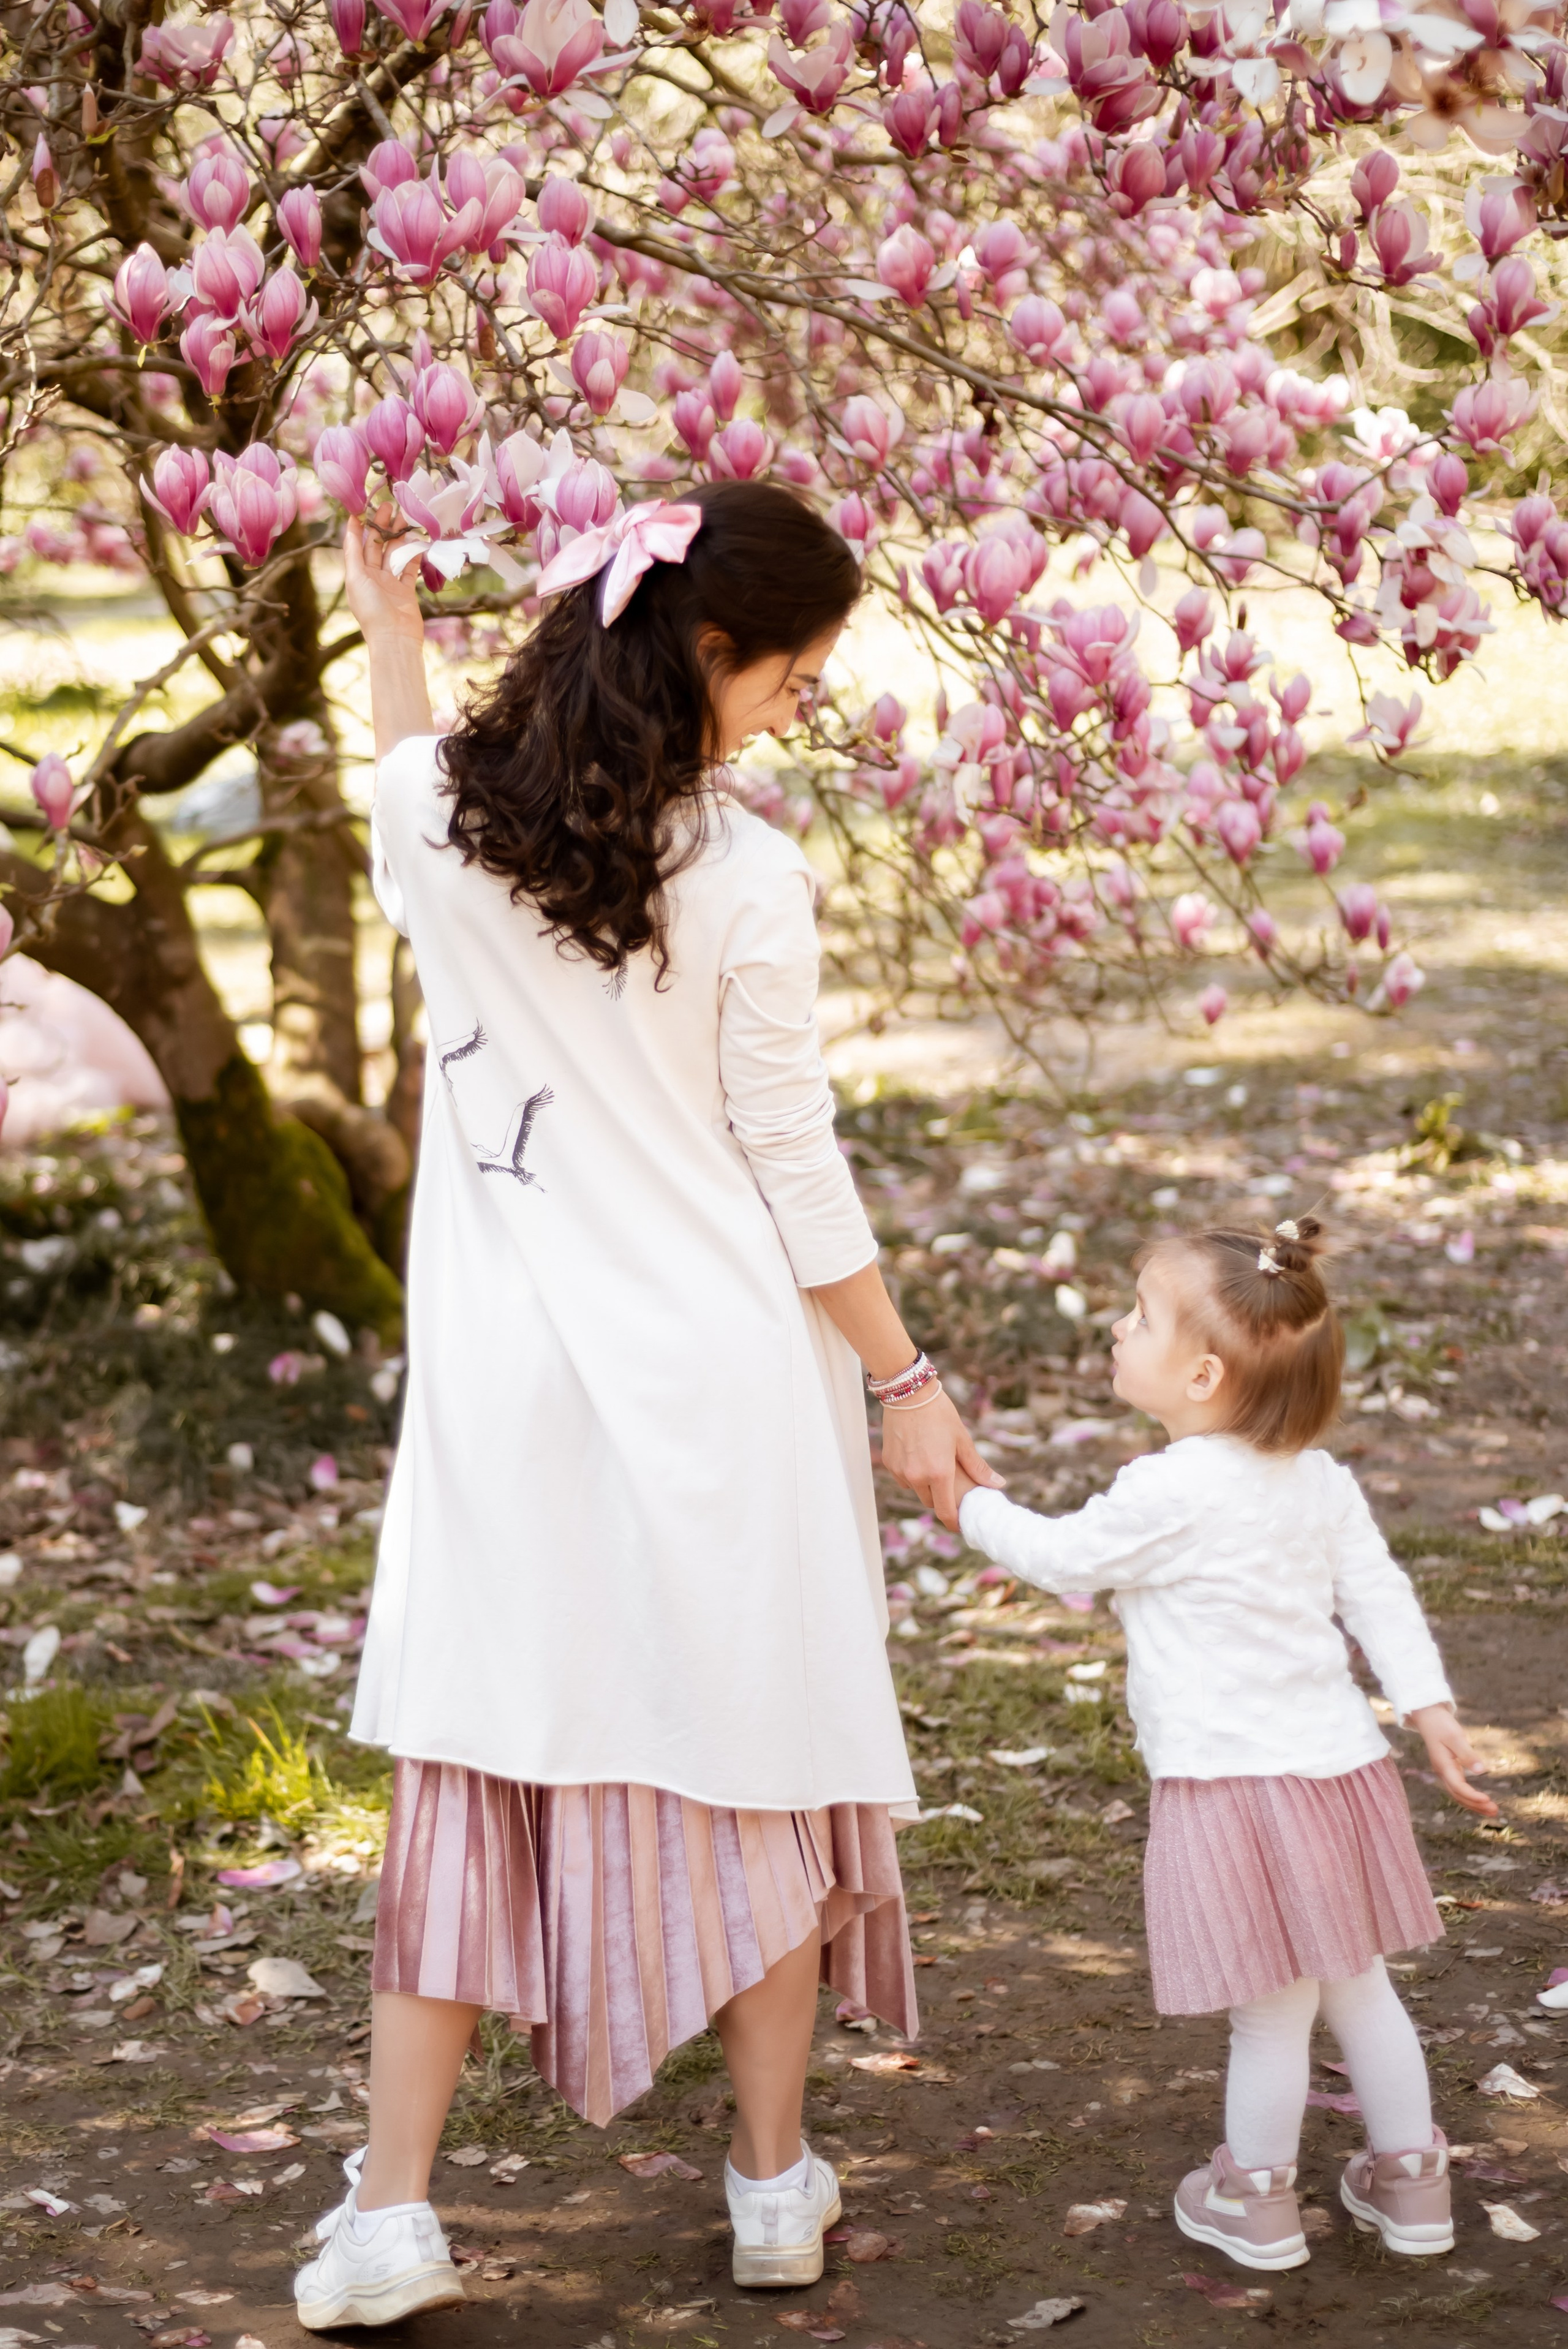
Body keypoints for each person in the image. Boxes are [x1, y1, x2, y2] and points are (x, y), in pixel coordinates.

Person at [295, 479, 995, 2331]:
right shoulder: (752, 878)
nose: (799, 703)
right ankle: (771, 2185)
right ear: (707, 647)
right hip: (725, 1379)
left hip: (510, 1387)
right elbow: (793, 1160)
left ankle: (392, 2212)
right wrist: (901, 1378)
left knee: (478, 1753)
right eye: (796, 670)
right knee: (747, 1756)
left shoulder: (444, 823)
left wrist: (390, 617)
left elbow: (400, 767)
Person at [952, 1216, 1498, 2274]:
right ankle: (1414, 2181)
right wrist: (1427, 1708)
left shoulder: (1172, 1490)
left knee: (1270, 2013)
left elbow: (1059, 1555)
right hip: (1339, 1778)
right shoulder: (1316, 1476)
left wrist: (962, 1501)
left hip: (1234, 1791)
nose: (1117, 1327)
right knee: (1360, 1985)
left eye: (1138, 1316)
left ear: (1201, 1373)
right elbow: (1376, 1594)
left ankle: (1253, 2199)